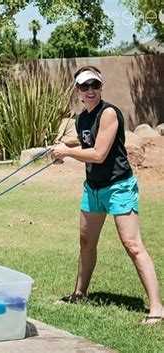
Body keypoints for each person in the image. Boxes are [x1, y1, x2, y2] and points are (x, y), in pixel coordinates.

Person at [51, 66, 162, 325]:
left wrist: (66, 153)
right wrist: (66, 147)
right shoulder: (82, 119)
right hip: (93, 187)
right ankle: (79, 293)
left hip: (118, 186)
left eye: (94, 85)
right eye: (84, 86)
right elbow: (89, 145)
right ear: (77, 91)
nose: (90, 91)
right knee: (86, 241)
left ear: (101, 87)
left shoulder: (109, 113)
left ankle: (157, 307)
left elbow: (99, 153)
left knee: (132, 244)